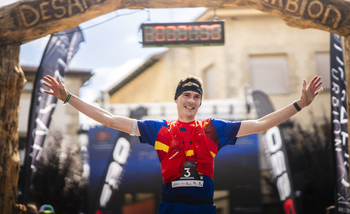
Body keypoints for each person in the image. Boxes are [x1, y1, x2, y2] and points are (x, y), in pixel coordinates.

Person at [43, 74, 322, 214]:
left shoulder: (215, 129)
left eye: (196, 96)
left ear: (200, 102)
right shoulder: (158, 129)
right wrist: (68, 98)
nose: (191, 100)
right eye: (186, 95)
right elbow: (109, 119)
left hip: (204, 207)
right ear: (176, 99)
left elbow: (261, 124)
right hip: (171, 207)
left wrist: (300, 104)